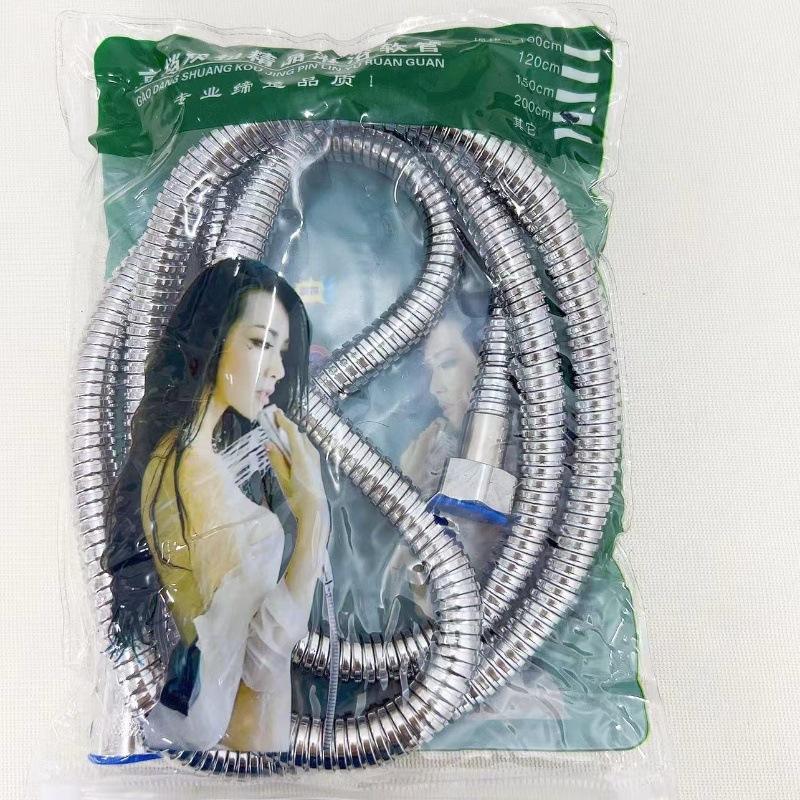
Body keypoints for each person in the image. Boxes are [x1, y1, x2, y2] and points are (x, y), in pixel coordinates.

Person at [102, 258, 329, 753]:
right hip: (243, 753)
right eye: (260, 343)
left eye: (282, 351)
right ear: (212, 340)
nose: (277, 370)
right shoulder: (199, 477)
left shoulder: (174, 457)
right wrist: (314, 518)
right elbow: (257, 663)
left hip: (231, 742)